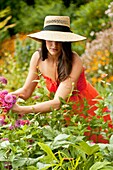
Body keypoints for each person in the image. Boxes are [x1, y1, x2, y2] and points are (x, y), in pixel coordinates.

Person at [11, 16, 112, 143]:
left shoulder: (74, 61)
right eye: (50, 40)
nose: (54, 45)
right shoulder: (38, 57)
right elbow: (25, 92)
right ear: (44, 39)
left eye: (59, 40)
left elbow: (58, 102)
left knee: (92, 149)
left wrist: (22, 110)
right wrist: (7, 97)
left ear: (66, 42)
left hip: (85, 109)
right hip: (61, 113)